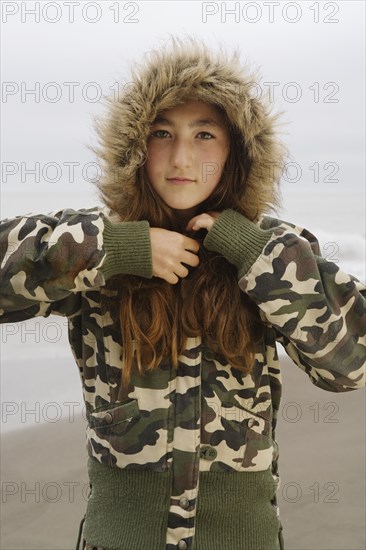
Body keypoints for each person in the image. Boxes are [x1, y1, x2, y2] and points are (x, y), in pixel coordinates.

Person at [1, 37, 365, 550]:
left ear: (236, 149)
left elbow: (350, 365)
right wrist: (123, 248)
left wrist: (249, 250)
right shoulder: (98, 246)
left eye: (205, 134)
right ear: (136, 146)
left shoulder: (274, 249)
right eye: (162, 133)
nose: (181, 157)